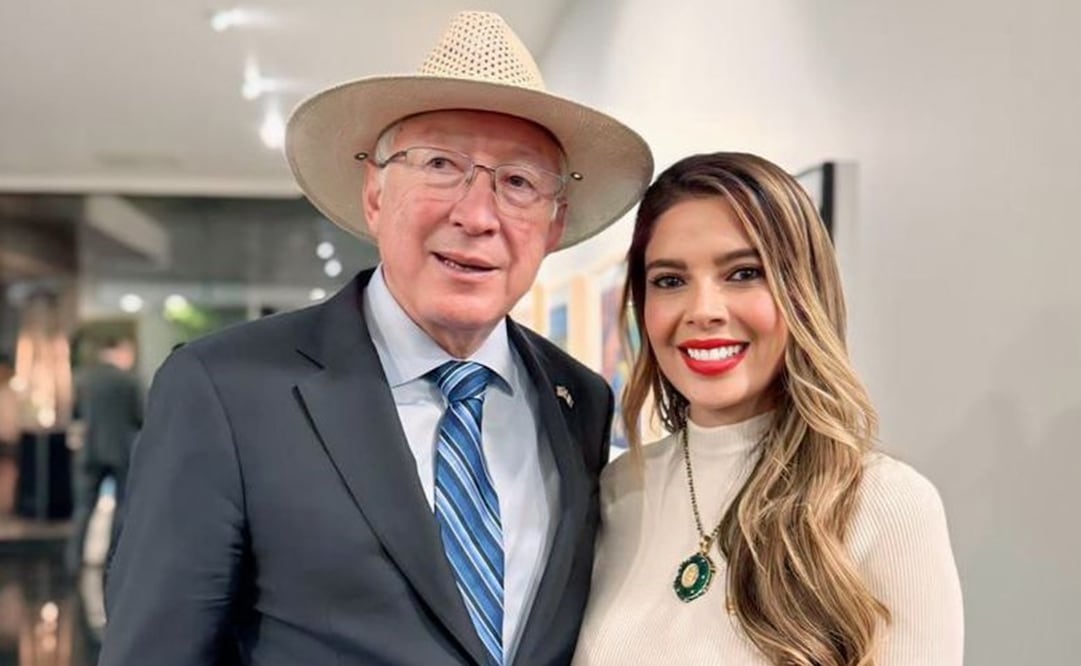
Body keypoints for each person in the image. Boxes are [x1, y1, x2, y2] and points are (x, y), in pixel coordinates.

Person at [99, 10, 652, 666]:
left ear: (553, 226)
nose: (476, 215)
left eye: (518, 183)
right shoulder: (226, 390)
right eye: (441, 165)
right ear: (374, 195)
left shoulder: (578, 402)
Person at [573, 153, 963, 665]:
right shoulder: (619, 491)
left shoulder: (886, 503)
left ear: (804, 292)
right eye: (670, 281)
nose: (704, 310)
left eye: (743, 273)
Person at [66, 337, 142, 573]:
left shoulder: (84, 379)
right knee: (122, 508)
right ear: (120, 352)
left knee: (83, 508)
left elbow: (75, 414)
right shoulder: (129, 381)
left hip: (89, 451)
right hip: (121, 451)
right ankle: (113, 558)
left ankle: (73, 559)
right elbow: (141, 416)